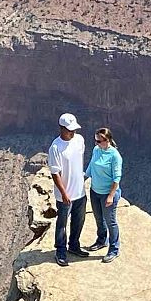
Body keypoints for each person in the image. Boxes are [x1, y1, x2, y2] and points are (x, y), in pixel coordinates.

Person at [47, 112, 87, 266]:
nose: (73, 132)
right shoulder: (56, 147)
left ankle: (74, 246)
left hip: (80, 192)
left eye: (74, 129)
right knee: (62, 223)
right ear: (62, 128)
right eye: (70, 129)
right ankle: (61, 251)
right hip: (65, 195)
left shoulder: (79, 140)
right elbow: (55, 173)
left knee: (79, 221)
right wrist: (64, 193)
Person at [83, 126, 124, 261]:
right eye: (95, 140)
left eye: (99, 141)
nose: (96, 143)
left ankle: (114, 249)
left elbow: (116, 178)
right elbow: (91, 166)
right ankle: (101, 240)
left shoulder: (115, 156)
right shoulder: (96, 150)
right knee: (99, 219)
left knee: (110, 222)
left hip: (108, 194)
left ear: (108, 140)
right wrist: (83, 178)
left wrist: (111, 196)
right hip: (95, 191)